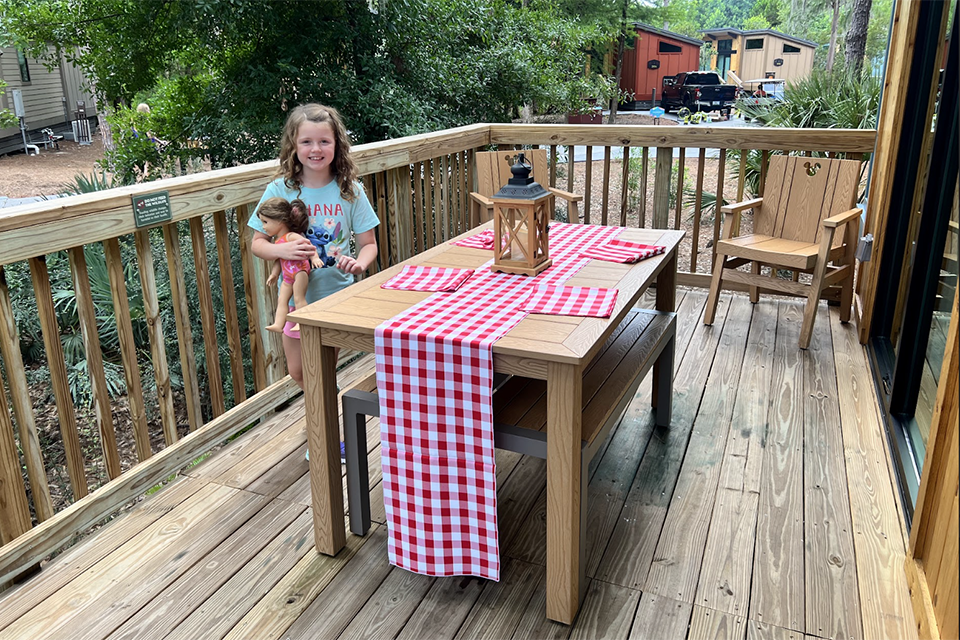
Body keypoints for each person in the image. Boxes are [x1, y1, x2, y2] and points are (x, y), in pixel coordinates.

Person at [248, 104, 380, 460]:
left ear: (337, 143)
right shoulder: (280, 189)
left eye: (324, 140)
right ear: (294, 145)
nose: (316, 149)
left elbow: (369, 245)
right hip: (294, 300)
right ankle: (321, 416)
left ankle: (324, 437)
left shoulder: (349, 190)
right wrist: (282, 254)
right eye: (307, 141)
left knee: (319, 370)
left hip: (335, 298)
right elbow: (258, 243)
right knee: (298, 371)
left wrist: (358, 264)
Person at [258, 197, 322, 333]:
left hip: (300, 272)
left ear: (280, 220)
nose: (263, 227)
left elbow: (308, 244)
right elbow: (279, 259)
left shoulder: (291, 236)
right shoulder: (277, 241)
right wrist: (274, 274)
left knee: (299, 298)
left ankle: (301, 322)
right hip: (287, 276)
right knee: (282, 299)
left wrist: (315, 258)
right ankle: (278, 324)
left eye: (265, 222)